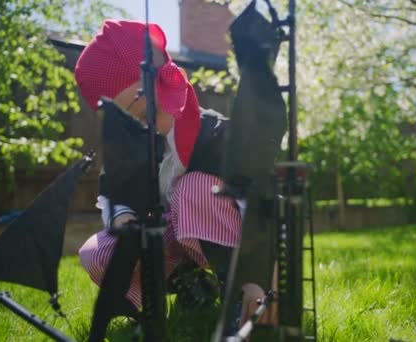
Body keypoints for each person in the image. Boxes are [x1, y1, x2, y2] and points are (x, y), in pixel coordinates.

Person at [74, 18, 273, 327]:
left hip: (230, 243)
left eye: (142, 113)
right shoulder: (130, 150)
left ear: (163, 85)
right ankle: (184, 293)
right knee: (96, 254)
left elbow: (261, 205)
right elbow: (111, 192)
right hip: (168, 242)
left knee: (192, 190)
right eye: (127, 122)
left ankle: (236, 291)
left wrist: (259, 279)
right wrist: (124, 219)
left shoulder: (218, 137)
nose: (141, 128)